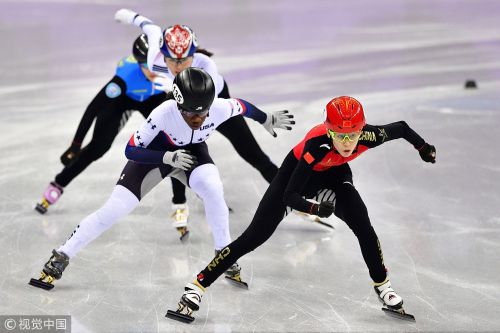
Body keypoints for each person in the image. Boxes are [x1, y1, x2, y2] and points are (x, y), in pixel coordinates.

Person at [167, 96, 436, 323]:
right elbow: (290, 195)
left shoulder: (369, 134)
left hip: (334, 175)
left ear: (361, 130)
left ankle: (384, 287)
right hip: (295, 177)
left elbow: (401, 128)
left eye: (352, 135)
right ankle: (197, 286)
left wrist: (423, 147)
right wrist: (316, 209)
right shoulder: (316, 146)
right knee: (253, 237)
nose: (347, 143)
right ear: (329, 132)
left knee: (364, 227)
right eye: (340, 136)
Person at [29, 67, 294, 291]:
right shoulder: (163, 113)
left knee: (214, 188)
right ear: (178, 104)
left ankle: (223, 255)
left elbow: (243, 106)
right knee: (115, 209)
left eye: (203, 114)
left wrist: (266, 119)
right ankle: (62, 254)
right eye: (191, 114)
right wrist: (167, 158)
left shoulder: (219, 108)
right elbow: (130, 150)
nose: (198, 120)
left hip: (192, 156)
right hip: (154, 157)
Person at [114, 9, 281, 239]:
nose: (178, 66)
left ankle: (288, 192)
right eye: (172, 60)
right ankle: (179, 204)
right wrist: (127, 15)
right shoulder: (155, 60)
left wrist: (259, 117)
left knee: (253, 153)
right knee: (175, 149)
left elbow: (213, 105)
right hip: (181, 101)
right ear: (163, 54)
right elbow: (150, 28)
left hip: (213, 103)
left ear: (194, 55)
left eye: (184, 60)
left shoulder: (207, 66)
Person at [35, 34, 168, 214]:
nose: (153, 70)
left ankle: (195, 186)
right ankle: (58, 183)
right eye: (146, 65)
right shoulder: (124, 79)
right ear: (138, 63)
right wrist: (75, 145)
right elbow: (93, 109)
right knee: (99, 147)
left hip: (152, 98)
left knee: (171, 137)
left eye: (156, 64)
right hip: (123, 99)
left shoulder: (169, 68)